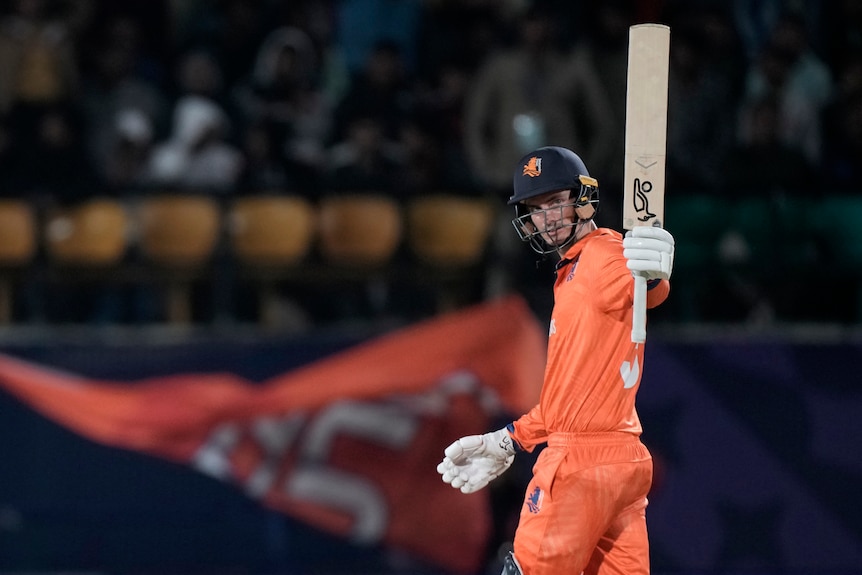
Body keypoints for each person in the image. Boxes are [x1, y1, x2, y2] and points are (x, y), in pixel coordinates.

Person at [437, 146, 675, 575]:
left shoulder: (602, 258)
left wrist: (655, 272)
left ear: (583, 199)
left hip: (579, 465)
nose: (545, 219)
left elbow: (643, 285)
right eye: (535, 208)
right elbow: (568, 398)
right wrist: (510, 438)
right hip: (622, 459)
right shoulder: (573, 269)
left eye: (553, 203)